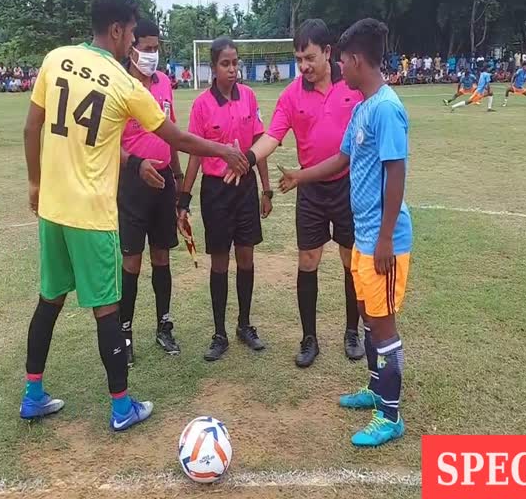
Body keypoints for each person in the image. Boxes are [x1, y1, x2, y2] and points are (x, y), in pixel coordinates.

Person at [19, 0, 248, 428]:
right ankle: (122, 408)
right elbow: (177, 139)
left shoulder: (55, 59)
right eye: (131, 37)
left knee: (50, 299)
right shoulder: (124, 85)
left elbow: (32, 126)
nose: (134, 47)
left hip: (53, 208)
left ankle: (33, 394)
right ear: (118, 30)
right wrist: (223, 149)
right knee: (107, 308)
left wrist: (35, 183)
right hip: (91, 214)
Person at [279, 18, 411, 447]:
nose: (341, 69)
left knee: (384, 326)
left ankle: (390, 417)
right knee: (371, 319)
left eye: (343, 60)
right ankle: (375, 389)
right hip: (367, 234)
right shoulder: (363, 107)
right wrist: (300, 176)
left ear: (354, 60)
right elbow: (339, 161)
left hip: (383, 238)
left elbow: (396, 171)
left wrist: (387, 236)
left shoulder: (387, 107)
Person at [225, 19, 365, 367]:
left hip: (349, 187)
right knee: (308, 261)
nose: (303, 66)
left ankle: (352, 332)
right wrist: (248, 157)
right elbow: (271, 136)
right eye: (299, 58)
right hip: (311, 191)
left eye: (310, 58)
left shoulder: (352, 86)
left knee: (351, 262)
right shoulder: (291, 94)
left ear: (328, 53)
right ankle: (309, 339)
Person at [176, 37, 270, 362]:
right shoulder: (202, 105)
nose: (232, 69)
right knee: (219, 262)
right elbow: (193, 155)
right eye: (225, 64)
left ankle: (245, 325)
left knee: (246, 258)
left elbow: (260, 145)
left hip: (245, 189)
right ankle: (220, 333)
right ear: (213, 68)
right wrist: (184, 198)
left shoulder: (249, 97)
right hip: (215, 192)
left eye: (235, 63)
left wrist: (266, 188)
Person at [118, 19, 185, 365]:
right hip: (132, 184)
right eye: (146, 47)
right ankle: (124, 333)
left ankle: (164, 326)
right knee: (132, 259)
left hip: (163, 182)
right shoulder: (119, 85)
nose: (152, 55)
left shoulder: (164, 84)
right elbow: (107, 142)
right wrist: (136, 164)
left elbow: (171, 133)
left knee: (162, 255)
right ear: (131, 48)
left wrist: (176, 175)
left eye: (156, 48)